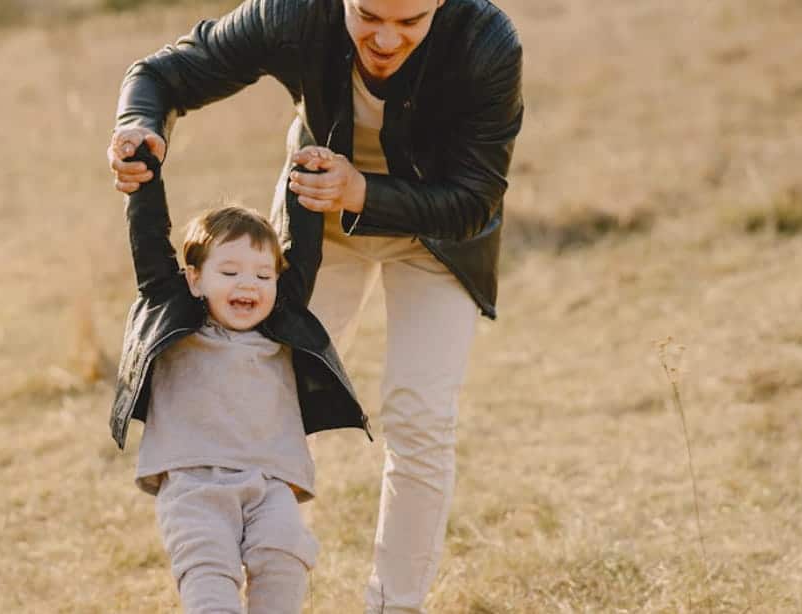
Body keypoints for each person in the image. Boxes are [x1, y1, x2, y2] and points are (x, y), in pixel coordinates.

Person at [106, 1, 523, 611]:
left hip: (439, 237)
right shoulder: (294, 12)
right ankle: (226, 570)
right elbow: (164, 73)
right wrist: (138, 125)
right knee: (263, 396)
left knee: (420, 419)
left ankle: (395, 604)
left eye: (410, 23)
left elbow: (476, 199)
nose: (386, 38)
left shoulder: (487, 41)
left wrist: (362, 189)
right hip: (316, 230)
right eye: (369, 14)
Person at [111, 144, 370, 612]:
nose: (247, 284)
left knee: (285, 556)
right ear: (194, 279)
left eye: (262, 275)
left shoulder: (281, 322)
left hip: (270, 483)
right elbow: (149, 243)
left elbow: (304, 250)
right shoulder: (177, 317)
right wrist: (143, 174)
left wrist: (306, 171)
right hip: (194, 484)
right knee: (209, 572)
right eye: (229, 271)